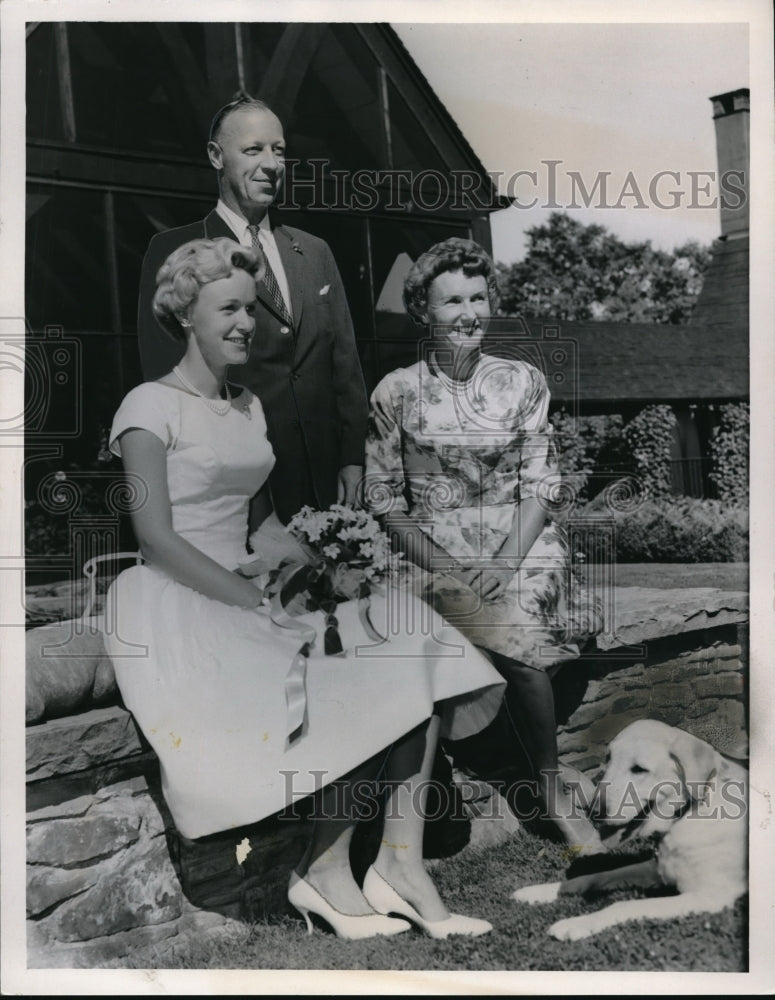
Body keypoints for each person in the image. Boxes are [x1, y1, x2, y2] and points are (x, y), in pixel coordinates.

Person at [103, 237, 506, 940]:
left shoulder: (249, 405)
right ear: (185, 317)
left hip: (254, 585)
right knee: (345, 678)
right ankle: (323, 870)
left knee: (407, 630)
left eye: (249, 309)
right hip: (180, 600)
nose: (244, 323)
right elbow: (155, 538)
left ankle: (398, 864)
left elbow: (263, 528)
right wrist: (248, 600)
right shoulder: (146, 407)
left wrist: (332, 564)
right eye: (226, 309)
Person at [363, 237, 604, 850]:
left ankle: (548, 784)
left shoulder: (522, 380)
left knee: (516, 622)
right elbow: (387, 503)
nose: (469, 311)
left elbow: (542, 486)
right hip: (433, 547)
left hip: (520, 537)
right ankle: (421, 806)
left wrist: (501, 561)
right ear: (424, 311)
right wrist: (451, 566)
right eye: (451, 301)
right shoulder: (395, 393)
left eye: (478, 296)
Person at [136, 93, 366, 525]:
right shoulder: (177, 250)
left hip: (327, 482)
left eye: (279, 150)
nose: (272, 163)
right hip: (238, 488)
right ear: (216, 156)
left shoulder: (315, 252)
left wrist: (352, 458)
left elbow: (345, 366)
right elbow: (165, 378)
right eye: (253, 149)